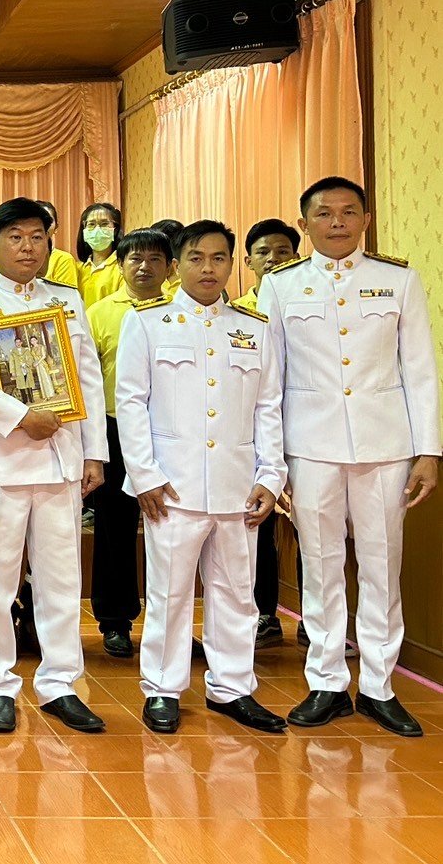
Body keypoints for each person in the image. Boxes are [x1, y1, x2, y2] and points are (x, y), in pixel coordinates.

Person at [261, 176, 440, 737]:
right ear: (304, 223)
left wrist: (428, 451)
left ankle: (380, 686)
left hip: (386, 445)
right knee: (319, 563)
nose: (336, 222)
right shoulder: (281, 286)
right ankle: (327, 682)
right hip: (310, 445)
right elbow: (271, 380)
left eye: (348, 212)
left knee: (383, 563)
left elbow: (420, 371)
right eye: (324, 213)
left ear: (365, 220)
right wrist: (275, 459)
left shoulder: (397, 280)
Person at [116, 220, 287, 735]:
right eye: (196, 258)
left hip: (239, 485)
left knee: (238, 591)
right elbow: (130, 402)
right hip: (173, 486)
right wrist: (144, 474)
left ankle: (233, 687)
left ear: (232, 264)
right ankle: (163, 689)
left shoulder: (255, 329)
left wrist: (272, 476)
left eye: (219, 258)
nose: (208, 268)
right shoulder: (147, 323)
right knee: (168, 592)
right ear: (176, 265)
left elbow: (270, 407)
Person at [0, 196, 108, 734]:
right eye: (15, 237)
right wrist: (21, 417)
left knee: (61, 579)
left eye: (37, 236)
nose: (27, 247)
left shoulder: (66, 300)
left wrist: (93, 453)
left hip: (60, 460)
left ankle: (61, 682)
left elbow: (87, 378)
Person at [84, 228, 172, 658]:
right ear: (120, 265)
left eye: (155, 259)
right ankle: (114, 621)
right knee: (114, 530)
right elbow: (88, 383)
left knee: (171, 529)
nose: (144, 267)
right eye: (135, 259)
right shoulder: (99, 313)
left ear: (170, 267)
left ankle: (168, 624)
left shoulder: (183, 310)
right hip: (116, 432)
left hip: (173, 436)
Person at [233, 218, 302, 646]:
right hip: (251, 430)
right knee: (255, 523)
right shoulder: (237, 312)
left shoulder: (308, 300)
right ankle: (263, 613)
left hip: (305, 428)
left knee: (311, 531)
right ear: (248, 261)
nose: (273, 259)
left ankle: (315, 621)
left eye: (282, 251)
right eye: (263, 252)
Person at [76, 202, 124, 306]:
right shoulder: (78, 269)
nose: (97, 229)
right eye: (91, 224)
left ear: (115, 230)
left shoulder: (122, 268)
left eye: (104, 224)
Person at [36, 200, 80, 288]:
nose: (43, 225)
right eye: (37, 220)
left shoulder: (64, 260)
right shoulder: (8, 257)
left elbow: (64, 296)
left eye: (48, 220)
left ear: (56, 228)